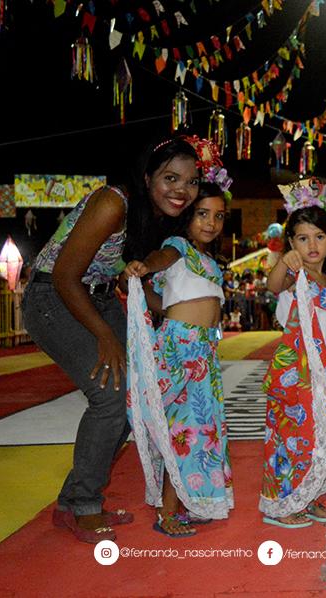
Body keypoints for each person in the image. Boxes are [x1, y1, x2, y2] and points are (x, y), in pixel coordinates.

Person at [22, 135, 201, 543]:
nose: (181, 190)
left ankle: (73, 500)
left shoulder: (153, 218)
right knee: (112, 392)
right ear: (146, 177)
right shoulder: (113, 201)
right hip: (54, 297)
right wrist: (105, 336)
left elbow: (124, 274)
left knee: (136, 392)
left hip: (98, 298)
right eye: (170, 178)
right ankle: (83, 503)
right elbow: (66, 275)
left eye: (191, 183)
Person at [125, 173, 234, 537]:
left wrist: (161, 304)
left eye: (218, 216)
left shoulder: (210, 262)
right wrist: (146, 265)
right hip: (181, 350)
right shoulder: (178, 248)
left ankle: (187, 502)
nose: (211, 223)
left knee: (200, 431)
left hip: (204, 352)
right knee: (181, 430)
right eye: (202, 213)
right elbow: (162, 257)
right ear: (187, 215)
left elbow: (164, 299)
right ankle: (167, 514)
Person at [259, 179, 326, 528]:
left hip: (322, 364)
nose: (312, 245)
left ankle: (308, 493)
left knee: (324, 430)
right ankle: (283, 503)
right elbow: (272, 285)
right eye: (302, 237)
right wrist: (285, 261)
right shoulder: (293, 271)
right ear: (291, 243)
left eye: (319, 237)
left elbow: (323, 321)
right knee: (295, 433)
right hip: (295, 366)